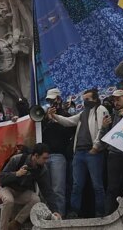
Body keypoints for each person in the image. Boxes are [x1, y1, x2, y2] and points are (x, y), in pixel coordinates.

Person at [47, 88, 110, 217]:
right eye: (84, 99)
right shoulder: (83, 113)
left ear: (96, 99)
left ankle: (100, 213)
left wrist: (96, 147)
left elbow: (102, 129)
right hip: (79, 153)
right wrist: (54, 116)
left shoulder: (101, 110)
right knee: (77, 185)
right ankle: (74, 212)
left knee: (97, 185)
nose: (85, 102)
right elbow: (69, 122)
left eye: (88, 99)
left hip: (93, 152)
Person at [0, 143, 61, 230]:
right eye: (44, 158)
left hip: (21, 192)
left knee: (36, 199)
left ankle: (16, 223)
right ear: (35, 156)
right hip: (6, 188)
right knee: (9, 200)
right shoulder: (17, 159)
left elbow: (47, 191)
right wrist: (16, 174)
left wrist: (55, 211)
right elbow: (1, 178)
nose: (46, 161)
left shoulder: (42, 169)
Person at [41, 88, 74, 218]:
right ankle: (46, 217)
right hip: (43, 156)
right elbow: (39, 135)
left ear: (58, 99)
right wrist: (47, 120)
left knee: (58, 189)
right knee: (45, 190)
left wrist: (56, 119)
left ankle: (59, 217)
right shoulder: (43, 116)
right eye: (48, 100)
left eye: (52, 100)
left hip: (58, 156)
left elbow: (68, 134)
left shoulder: (65, 116)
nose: (50, 103)